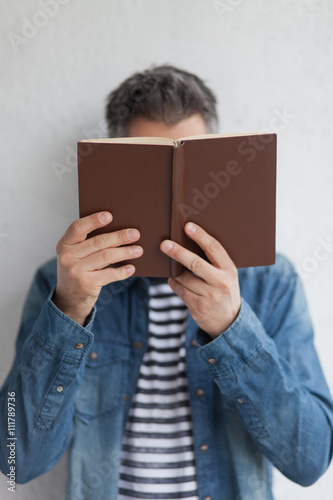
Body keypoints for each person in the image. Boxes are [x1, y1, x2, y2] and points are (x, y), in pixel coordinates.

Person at [0, 65, 332, 500]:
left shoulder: (271, 282)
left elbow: (310, 460)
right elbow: (15, 460)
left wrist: (232, 326)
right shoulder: (62, 282)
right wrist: (68, 310)